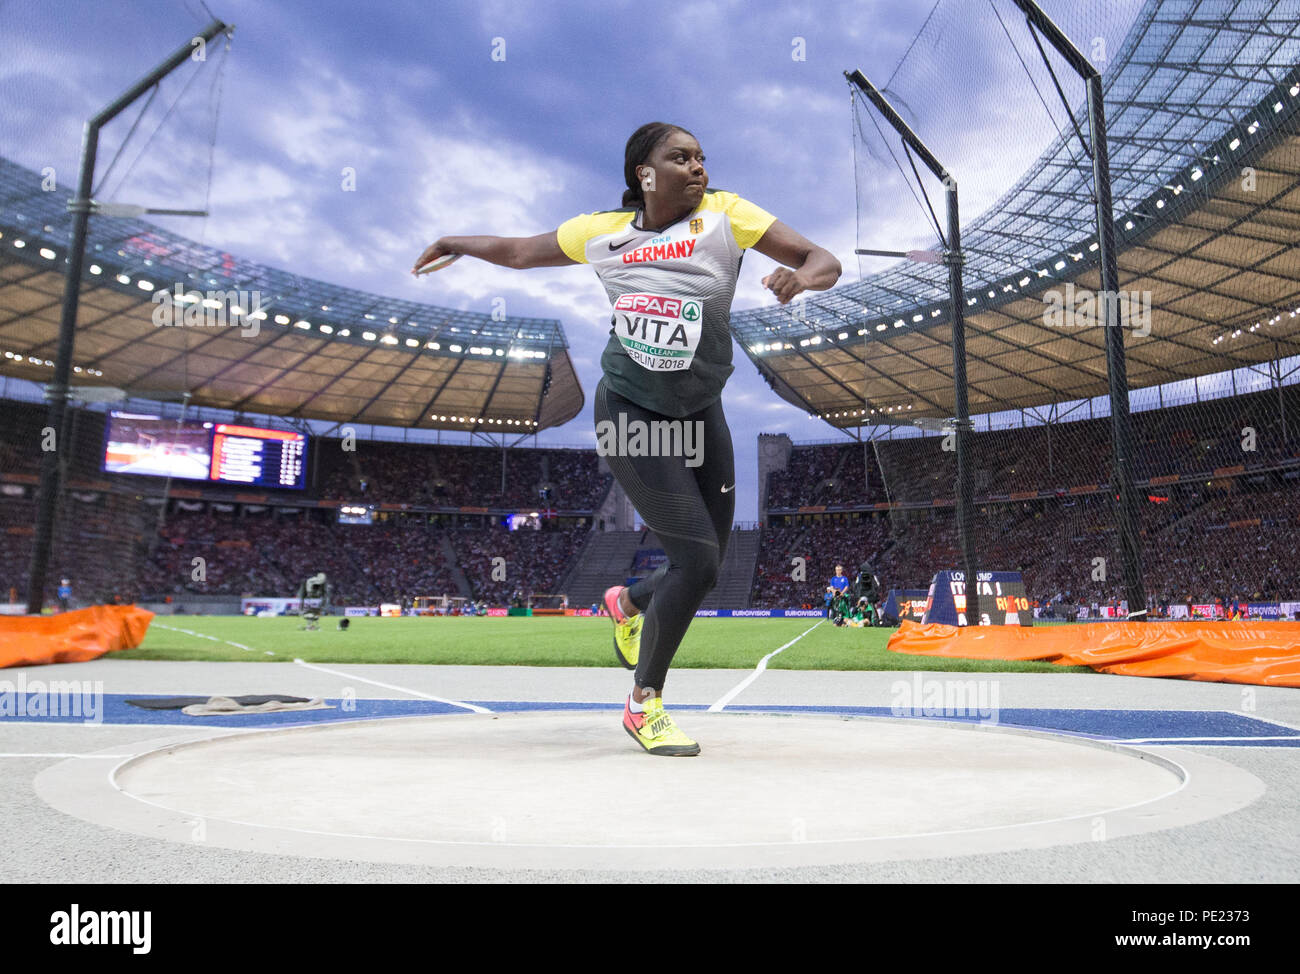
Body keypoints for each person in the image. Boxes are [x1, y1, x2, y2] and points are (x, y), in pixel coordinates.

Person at [412, 121, 840, 755]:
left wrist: (802, 278)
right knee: (694, 560)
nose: (698, 167)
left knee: (708, 563)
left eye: (701, 157)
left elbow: (823, 259)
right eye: (681, 158)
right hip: (631, 412)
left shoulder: (728, 213)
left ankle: (628, 600)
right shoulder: (601, 232)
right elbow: (522, 251)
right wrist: (458, 241)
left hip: (701, 412)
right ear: (645, 173)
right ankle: (645, 704)